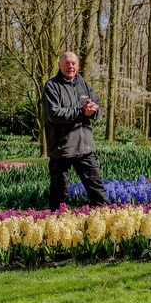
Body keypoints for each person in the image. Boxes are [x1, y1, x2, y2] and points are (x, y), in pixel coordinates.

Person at [42, 51, 110, 211]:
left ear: (78, 65)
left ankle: (106, 225)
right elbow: (54, 114)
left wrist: (93, 110)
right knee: (59, 196)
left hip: (85, 147)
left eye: (73, 63)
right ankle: (57, 227)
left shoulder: (83, 84)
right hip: (62, 149)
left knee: (98, 191)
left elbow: (98, 106)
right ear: (59, 65)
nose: (70, 66)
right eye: (66, 63)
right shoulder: (52, 86)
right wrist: (81, 112)